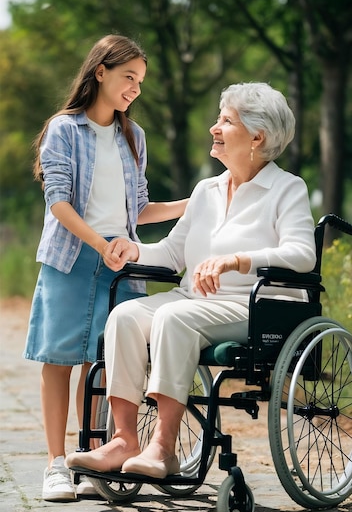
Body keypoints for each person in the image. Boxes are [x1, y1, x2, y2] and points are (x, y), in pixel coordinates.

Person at [66, 81, 317, 480]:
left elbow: (303, 255)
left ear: (257, 136)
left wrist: (236, 260)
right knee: (126, 316)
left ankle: (163, 447)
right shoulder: (207, 190)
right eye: (218, 119)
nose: (214, 129)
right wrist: (133, 249)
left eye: (226, 121)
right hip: (196, 300)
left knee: (174, 319)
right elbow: (171, 253)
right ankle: (125, 441)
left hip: (255, 305)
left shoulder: (286, 189)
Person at [23, 34, 188, 502]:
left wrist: (192, 205)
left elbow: (137, 209)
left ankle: (93, 457)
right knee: (58, 361)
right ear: (101, 72)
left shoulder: (134, 137)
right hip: (71, 259)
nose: (135, 88)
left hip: (121, 268)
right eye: (128, 77)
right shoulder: (64, 129)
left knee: (105, 365)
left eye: (140, 81)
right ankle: (56, 465)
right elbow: (58, 201)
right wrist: (102, 243)